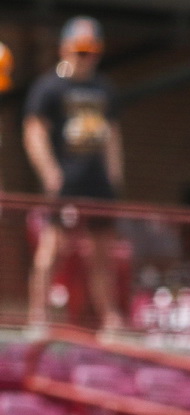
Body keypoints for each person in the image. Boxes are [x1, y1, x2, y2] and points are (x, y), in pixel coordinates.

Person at [24, 18, 123, 332]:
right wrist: (50, 171)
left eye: (92, 50)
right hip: (67, 181)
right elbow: (34, 132)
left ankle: (109, 319)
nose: (86, 56)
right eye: (80, 50)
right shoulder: (49, 87)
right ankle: (37, 316)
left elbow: (112, 135)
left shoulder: (104, 89)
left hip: (98, 185)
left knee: (102, 256)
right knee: (53, 250)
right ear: (65, 48)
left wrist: (115, 174)